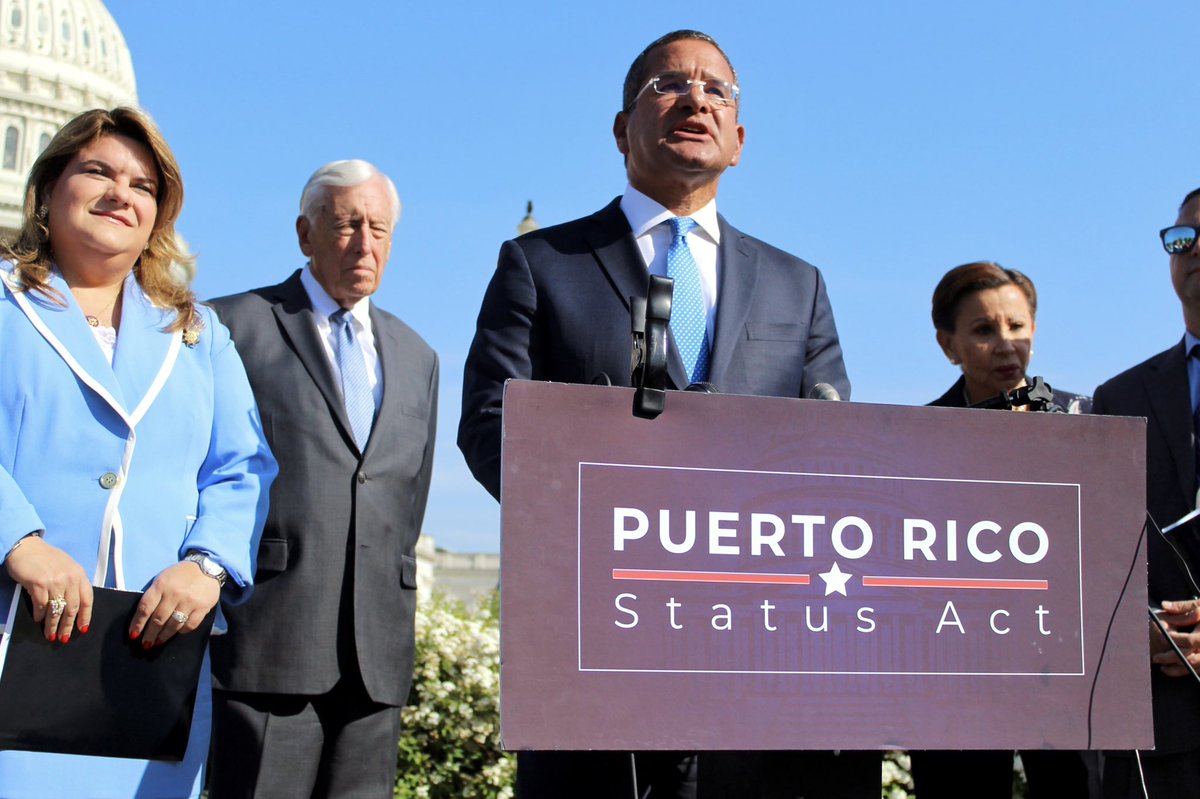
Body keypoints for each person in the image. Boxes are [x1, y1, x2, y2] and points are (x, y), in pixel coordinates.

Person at [459, 29, 869, 799]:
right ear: (622, 129)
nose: (697, 99)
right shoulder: (543, 265)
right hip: (597, 648)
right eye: (669, 85)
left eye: (718, 90)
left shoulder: (798, 284)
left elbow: (832, 453)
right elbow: (490, 425)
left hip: (757, 659)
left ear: (740, 140)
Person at [0, 107, 276, 798]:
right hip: (12, 631)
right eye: (96, 171)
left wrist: (207, 565)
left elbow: (241, 466)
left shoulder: (197, 333)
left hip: (147, 660)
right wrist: (17, 540)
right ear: (49, 186)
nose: (121, 192)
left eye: (143, 184)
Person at [206, 159, 438, 798]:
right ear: (305, 235)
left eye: (380, 229)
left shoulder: (419, 356)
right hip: (268, 642)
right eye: (346, 225)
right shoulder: (229, 326)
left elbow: (404, 504)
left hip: (376, 660)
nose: (365, 244)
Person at [918, 260, 1094, 799]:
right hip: (958, 666)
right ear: (948, 345)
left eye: (1017, 327)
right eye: (983, 330)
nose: (1005, 344)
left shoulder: (1085, 421)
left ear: (1034, 332)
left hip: (1065, 661)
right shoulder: (918, 437)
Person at [1091, 189, 1200, 798]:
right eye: (1182, 239)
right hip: (1158, 728)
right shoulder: (1121, 399)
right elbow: (1096, 559)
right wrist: (1137, 628)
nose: (1195, 250)